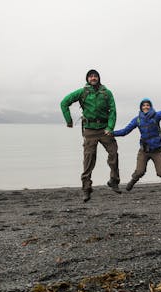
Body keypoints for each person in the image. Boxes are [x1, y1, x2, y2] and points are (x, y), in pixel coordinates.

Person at [60, 69, 121, 202]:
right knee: (88, 160)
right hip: (89, 130)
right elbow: (64, 102)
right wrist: (68, 120)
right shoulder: (82, 92)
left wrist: (110, 127)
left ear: (99, 78)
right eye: (91, 76)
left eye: (95, 76)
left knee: (114, 153)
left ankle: (114, 181)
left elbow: (113, 111)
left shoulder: (107, 93)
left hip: (105, 129)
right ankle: (86, 189)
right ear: (87, 79)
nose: (93, 78)